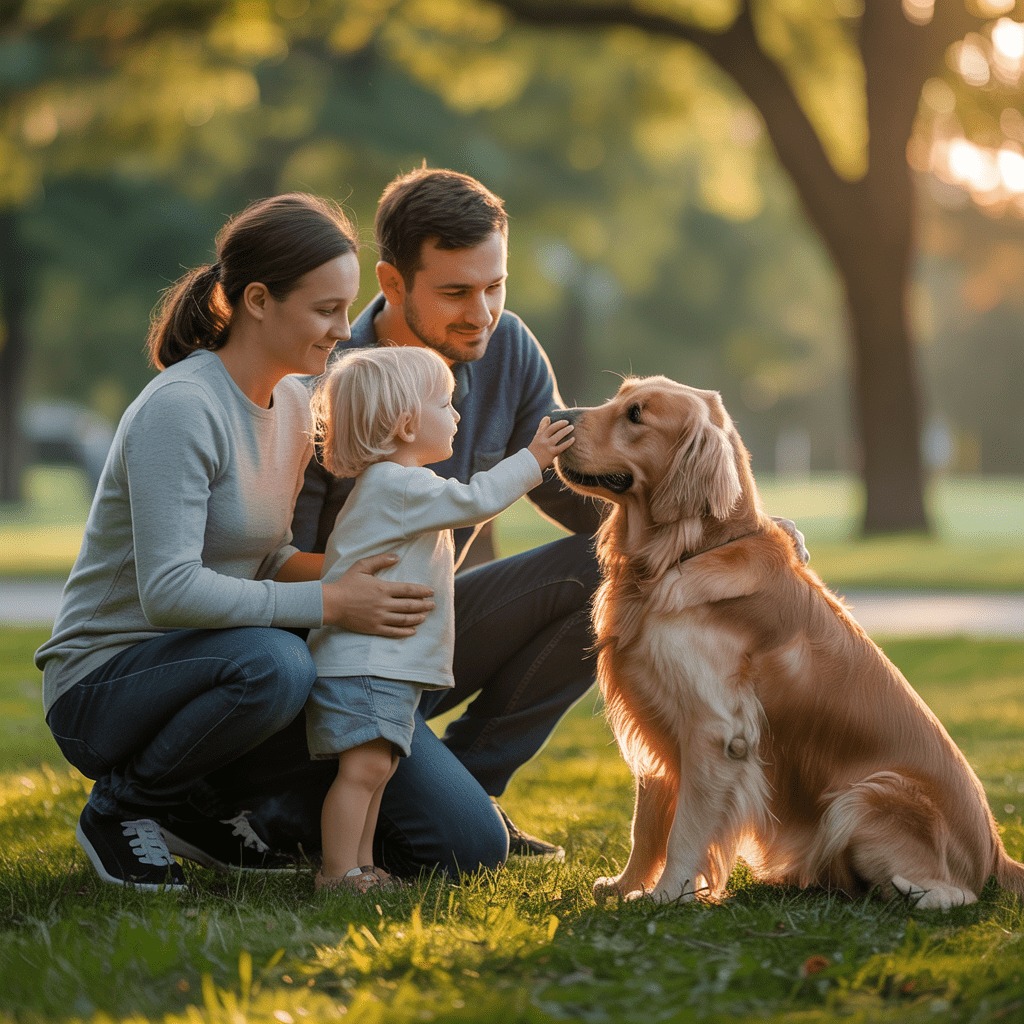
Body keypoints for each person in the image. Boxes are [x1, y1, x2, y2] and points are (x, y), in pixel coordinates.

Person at [34, 193, 436, 891]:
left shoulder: (288, 404)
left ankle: (190, 809)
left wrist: (357, 576)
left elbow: (269, 557)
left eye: (347, 308)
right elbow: (168, 592)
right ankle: (124, 808)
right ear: (257, 299)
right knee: (278, 664)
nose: (344, 330)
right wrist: (330, 602)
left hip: (199, 667)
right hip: (103, 686)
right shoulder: (183, 409)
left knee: (450, 823)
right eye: (325, 309)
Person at [252, 167, 606, 877]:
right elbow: (269, 559)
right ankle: (295, 805)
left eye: (495, 286)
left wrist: (724, 523)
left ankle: (470, 782)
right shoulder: (324, 384)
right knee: (468, 853)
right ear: (391, 282)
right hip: (345, 659)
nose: (482, 312)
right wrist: (349, 592)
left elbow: (574, 494)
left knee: (611, 560)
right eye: (455, 292)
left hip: (427, 633)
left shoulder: (506, 349)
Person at [304, 346, 574, 892]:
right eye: (446, 404)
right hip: (367, 667)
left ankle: (360, 868)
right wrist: (534, 458)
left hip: (377, 664)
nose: (456, 416)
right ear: (406, 424)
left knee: (376, 771)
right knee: (362, 774)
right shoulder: (401, 485)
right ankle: (337, 872)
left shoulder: (390, 487)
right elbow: (478, 499)